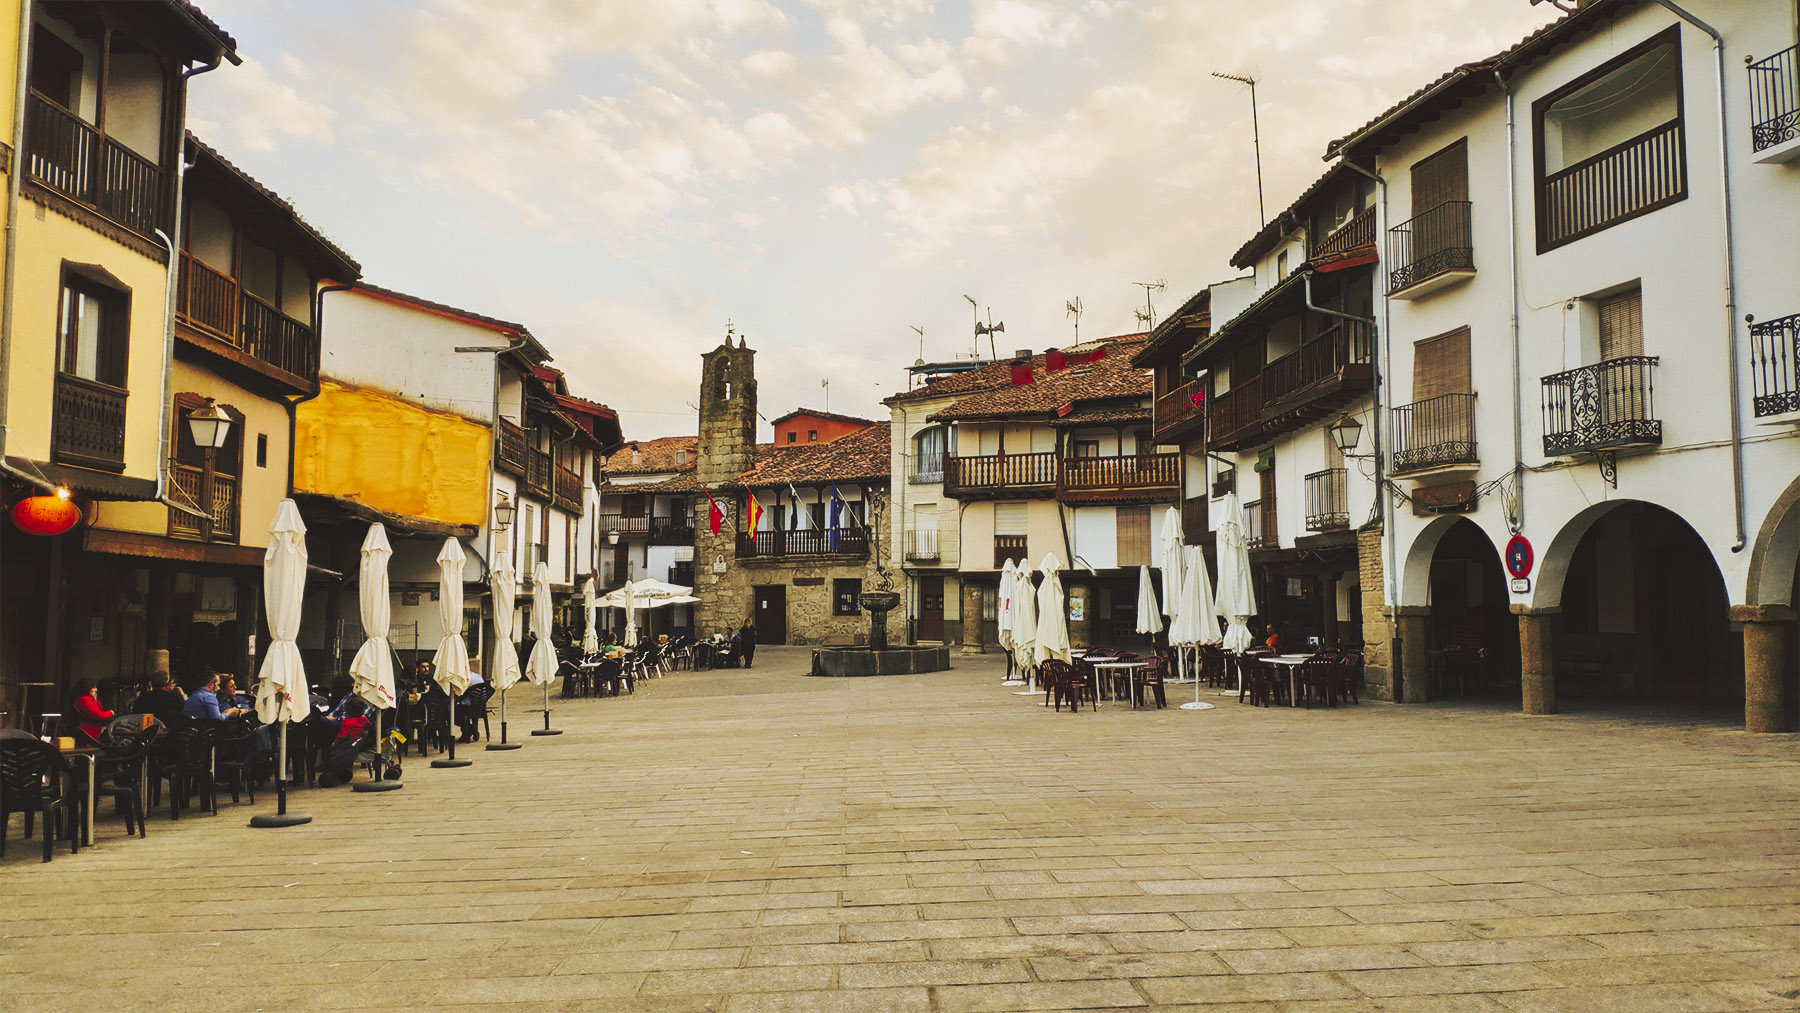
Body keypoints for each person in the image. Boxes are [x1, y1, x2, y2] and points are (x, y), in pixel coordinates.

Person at [183, 671, 248, 720]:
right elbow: (217, 720)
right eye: (218, 685)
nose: (219, 688)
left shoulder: (195, 694)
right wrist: (229, 713)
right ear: (211, 685)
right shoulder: (209, 697)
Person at [70, 680, 115, 744]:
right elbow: (99, 715)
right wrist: (111, 712)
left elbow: (99, 711)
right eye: (93, 687)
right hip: (90, 730)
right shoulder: (85, 700)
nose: (96, 689)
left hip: (86, 729)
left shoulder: (81, 699)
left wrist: (95, 700)